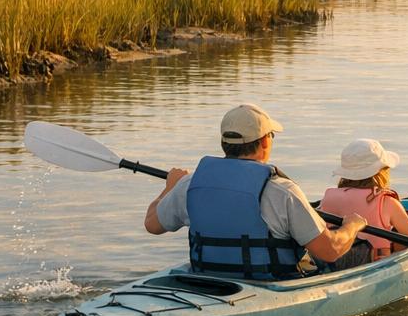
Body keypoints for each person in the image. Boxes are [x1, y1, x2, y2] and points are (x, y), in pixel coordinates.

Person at [143, 103, 369, 279]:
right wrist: (352, 225)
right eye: (271, 136)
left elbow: (152, 224)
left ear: (225, 143)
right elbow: (329, 250)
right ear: (263, 142)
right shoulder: (283, 191)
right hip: (270, 284)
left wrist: (169, 187)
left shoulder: (189, 185)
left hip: (208, 279)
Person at [318, 139, 408, 269]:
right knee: (401, 235)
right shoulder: (386, 202)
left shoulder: (329, 197)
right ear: (381, 171)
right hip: (372, 265)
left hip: (335, 263)